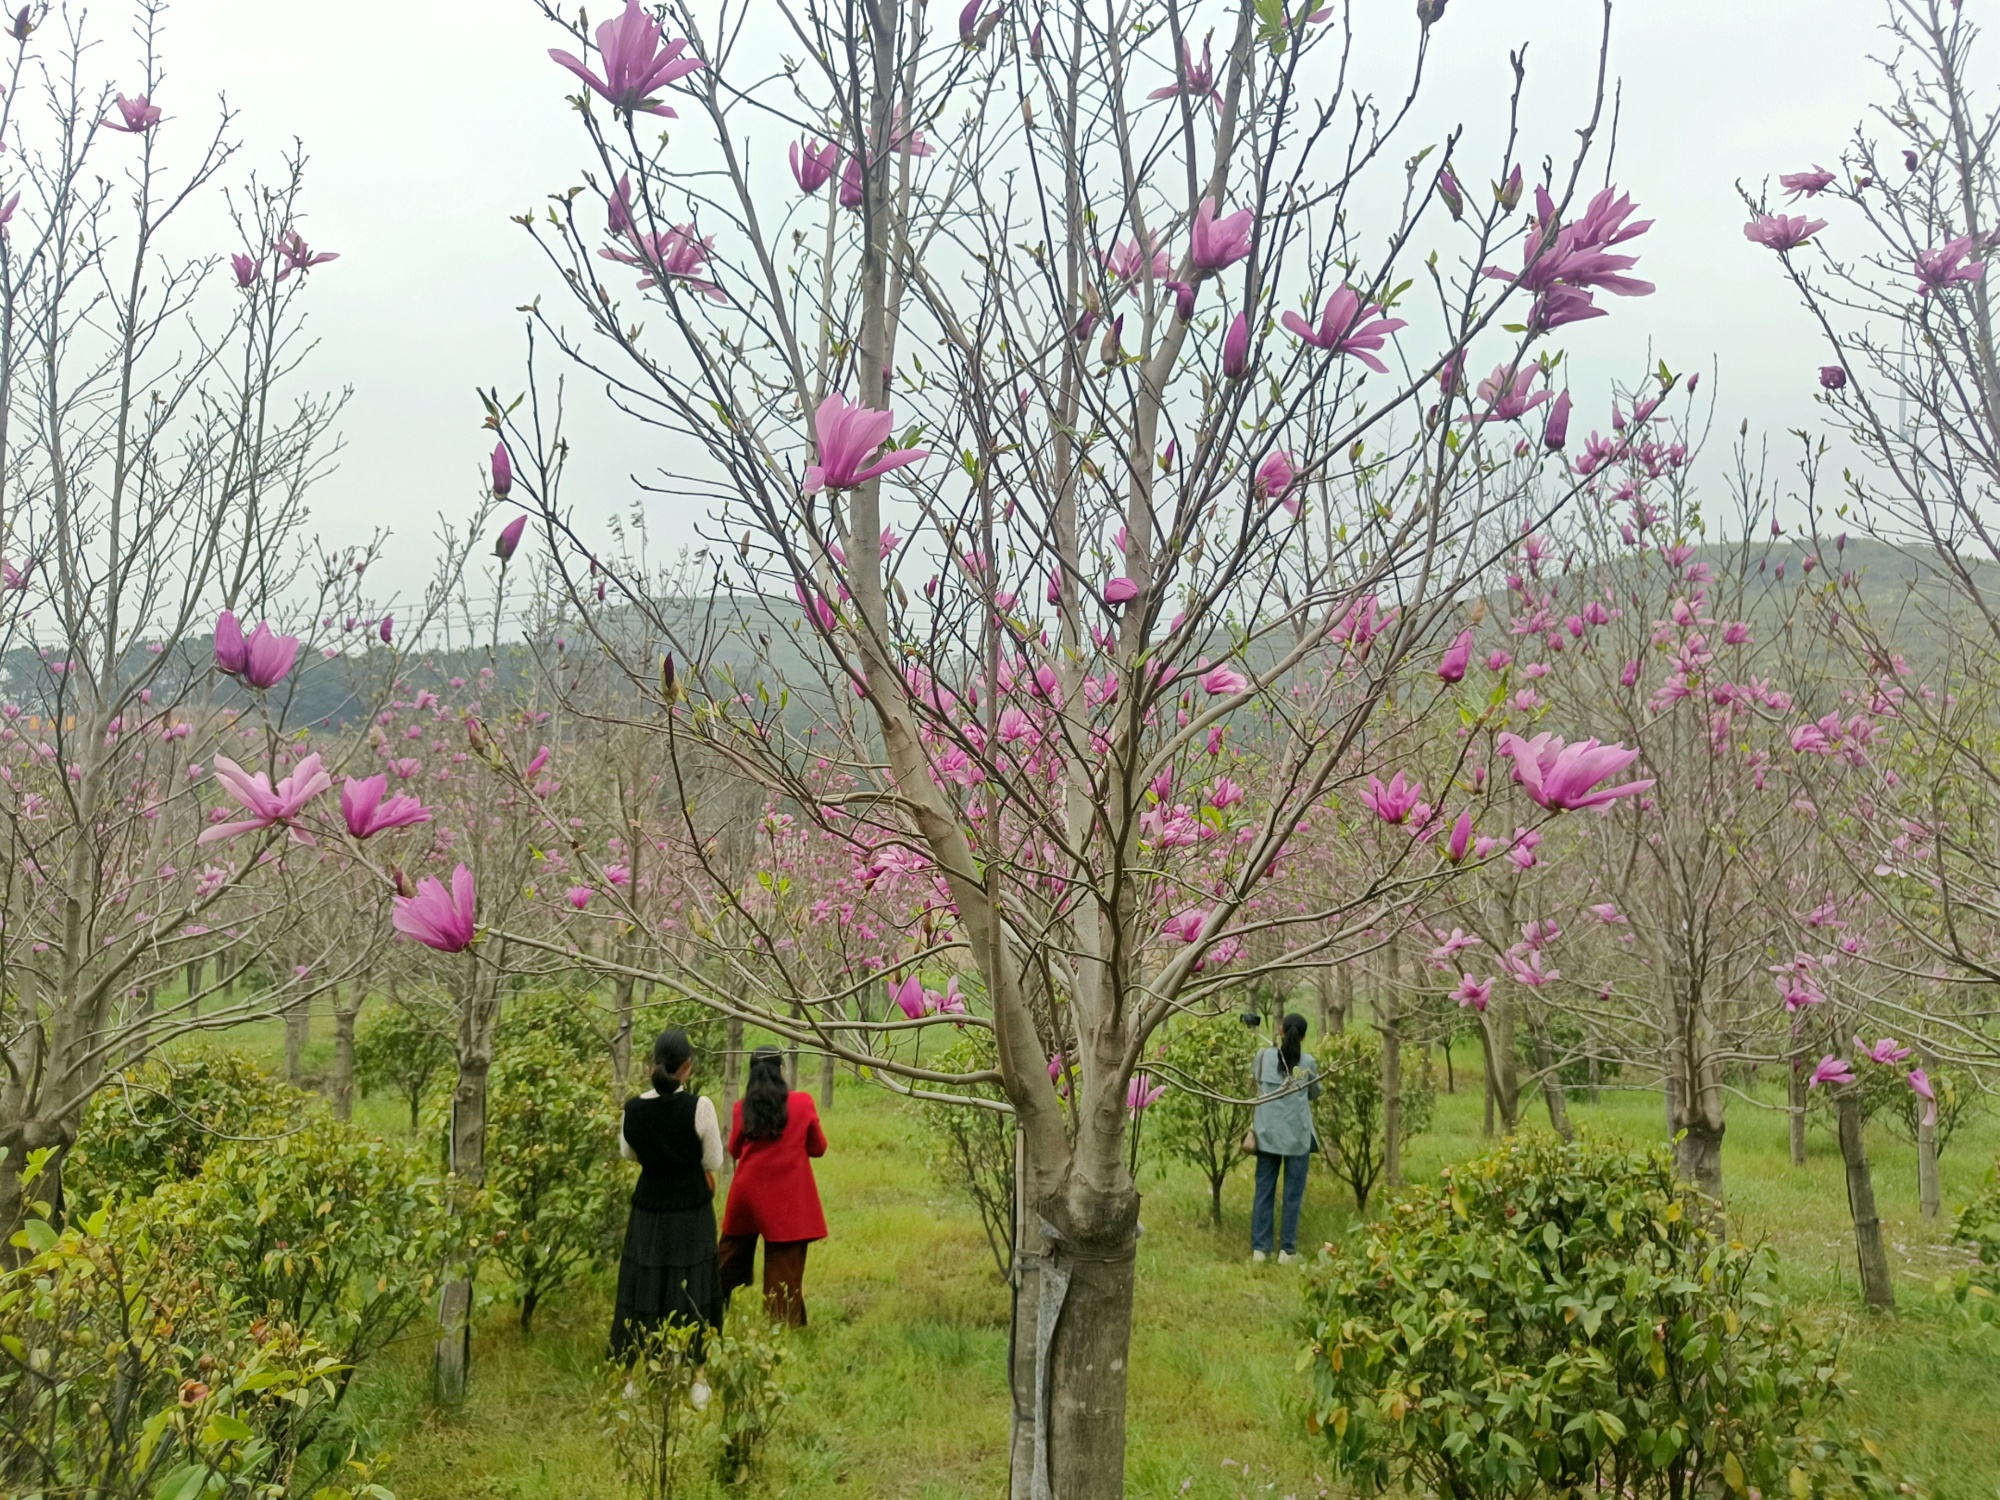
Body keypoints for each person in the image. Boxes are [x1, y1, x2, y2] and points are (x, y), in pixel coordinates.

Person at [611, 1028, 725, 1361]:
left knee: (644, 1283)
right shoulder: (699, 1107)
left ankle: (633, 1367)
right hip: (691, 1211)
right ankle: (695, 1373)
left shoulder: (633, 1109)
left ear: (653, 1063)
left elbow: (628, 1154)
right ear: (688, 1065)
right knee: (694, 1285)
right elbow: (714, 1161)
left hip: (649, 1209)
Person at [719, 1046, 828, 1326]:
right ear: (782, 1070)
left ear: (752, 1074)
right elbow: (819, 1148)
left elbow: (734, 1150)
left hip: (748, 1196)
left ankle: (701, 1305)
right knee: (784, 1272)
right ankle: (781, 1329)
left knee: (726, 1259)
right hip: (788, 1201)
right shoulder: (802, 1103)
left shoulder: (742, 1108)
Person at [1250, 1012, 1320, 1265]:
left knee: (1264, 1190)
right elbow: (1314, 1093)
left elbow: (1255, 1080)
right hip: (1296, 1138)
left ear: (1280, 1031)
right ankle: (1287, 1251)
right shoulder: (1308, 1063)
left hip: (1266, 1135)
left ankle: (1260, 1249)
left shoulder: (1262, 1057)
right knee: (1292, 1194)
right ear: (1303, 1036)